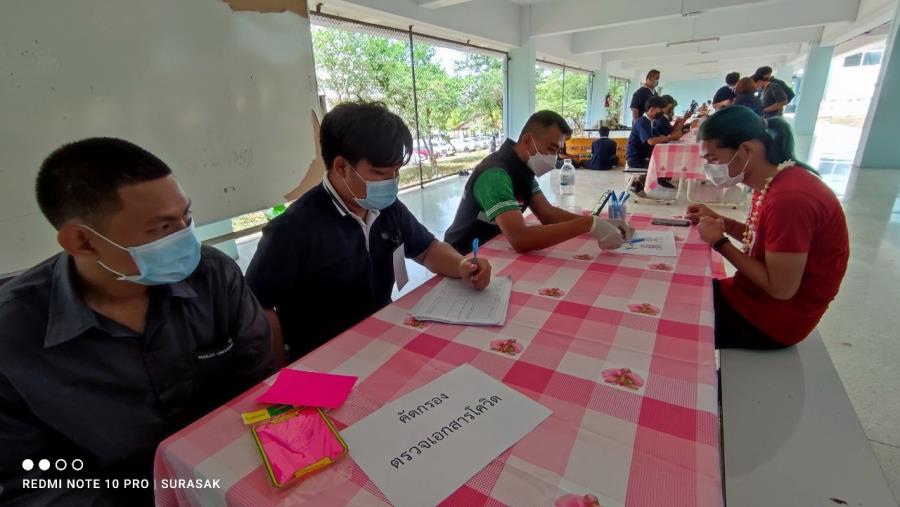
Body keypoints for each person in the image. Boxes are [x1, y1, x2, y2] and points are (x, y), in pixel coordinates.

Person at [0, 138, 275, 505]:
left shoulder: (212, 275)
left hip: (230, 472)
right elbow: (28, 485)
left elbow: (257, 380)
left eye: (186, 217)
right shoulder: (12, 338)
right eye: (162, 228)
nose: (185, 236)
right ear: (82, 241)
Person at [246, 102, 492, 364]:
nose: (392, 182)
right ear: (341, 167)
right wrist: (280, 372)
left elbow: (427, 249)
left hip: (382, 335)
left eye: (396, 172)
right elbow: (258, 306)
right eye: (380, 173)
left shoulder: (387, 208)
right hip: (324, 357)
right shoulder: (292, 230)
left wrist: (461, 265)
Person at [687, 106, 848, 349]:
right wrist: (722, 222)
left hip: (773, 320)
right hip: (749, 295)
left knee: (667, 321)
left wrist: (719, 242)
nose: (709, 169)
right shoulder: (774, 181)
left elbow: (781, 288)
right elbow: (767, 240)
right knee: (678, 292)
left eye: (713, 160)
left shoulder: (790, 199)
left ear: (746, 150)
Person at [444, 110, 631, 255]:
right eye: (551, 148)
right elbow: (520, 239)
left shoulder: (522, 168)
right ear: (527, 140)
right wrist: (589, 224)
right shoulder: (495, 175)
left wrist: (601, 223)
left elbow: (548, 214)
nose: (554, 157)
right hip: (464, 256)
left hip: (493, 246)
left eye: (557, 151)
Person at [627, 96, 684, 192]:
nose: (662, 113)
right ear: (652, 109)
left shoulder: (651, 122)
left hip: (644, 157)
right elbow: (651, 141)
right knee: (662, 166)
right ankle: (637, 183)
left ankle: (640, 183)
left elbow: (659, 137)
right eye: (660, 111)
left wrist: (667, 137)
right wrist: (670, 137)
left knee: (666, 162)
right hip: (636, 159)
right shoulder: (642, 122)